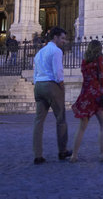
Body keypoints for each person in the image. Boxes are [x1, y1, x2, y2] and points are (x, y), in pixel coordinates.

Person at [70, 40, 103, 163]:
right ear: (99, 49)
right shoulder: (99, 59)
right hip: (97, 95)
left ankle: (74, 155)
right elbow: (102, 76)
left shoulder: (84, 61)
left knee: (81, 128)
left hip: (85, 95)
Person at [32, 27, 72, 164]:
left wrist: (37, 84)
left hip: (38, 86)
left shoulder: (39, 53)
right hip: (51, 85)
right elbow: (58, 72)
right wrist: (61, 86)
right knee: (61, 119)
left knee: (39, 122)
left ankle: (38, 155)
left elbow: (35, 72)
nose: (64, 41)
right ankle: (63, 151)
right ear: (55, 37)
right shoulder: (56, 51)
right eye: (62, 38)